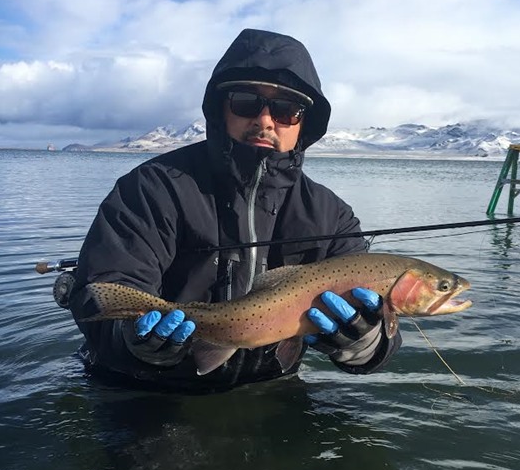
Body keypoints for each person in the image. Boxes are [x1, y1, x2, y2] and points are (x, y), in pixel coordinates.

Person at [69, 28, 402, 392]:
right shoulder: (151, 188)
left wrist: (363, 343)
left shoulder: (331, 214)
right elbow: (103, 295)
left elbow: (379, 350)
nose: (264, 120)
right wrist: (132, 340)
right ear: (220, 109)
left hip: (272, 387)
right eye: (246, 102)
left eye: (287, 109)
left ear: (304, 124)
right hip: (147, 389)